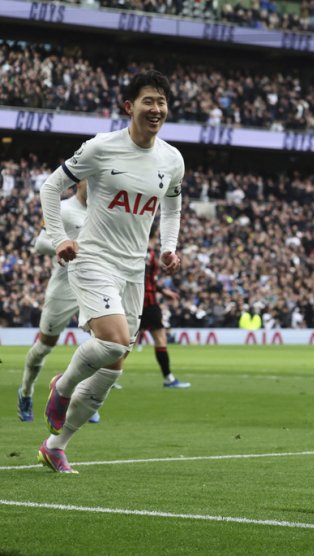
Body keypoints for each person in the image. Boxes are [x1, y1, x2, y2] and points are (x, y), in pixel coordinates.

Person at [37, 69, 184, 473]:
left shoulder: (172, 159)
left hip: (134, 268)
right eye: (148, 101)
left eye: (162, 102)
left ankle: (56, 445)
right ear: (129, 106)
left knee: (114, 366)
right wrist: (59, 237)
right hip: (93, 257)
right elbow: (50, 187)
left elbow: (172, 206)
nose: (156, 109)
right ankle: (61, 386)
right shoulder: (101, 148)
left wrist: (168, 247)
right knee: (115, 342)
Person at [18, 179, 90, 421]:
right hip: (65, 286)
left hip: (95, 285)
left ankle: (85, 400)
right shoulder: (64, 209)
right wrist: (69, 246)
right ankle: (26, 392)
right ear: (80, 182)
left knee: (105, 344)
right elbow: (39, 244)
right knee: (44, 347)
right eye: (93, 181)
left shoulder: (104, 210)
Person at [136, 223, 190, 388]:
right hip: (148, 302)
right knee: (160, 339)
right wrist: (157, 291)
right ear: (156, 233)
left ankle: (107, 379)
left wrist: (161, 290)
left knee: (125, 342)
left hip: (137, 301)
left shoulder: (140, 250)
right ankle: (168, 379)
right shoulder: (149, 253)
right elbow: (144, 278)